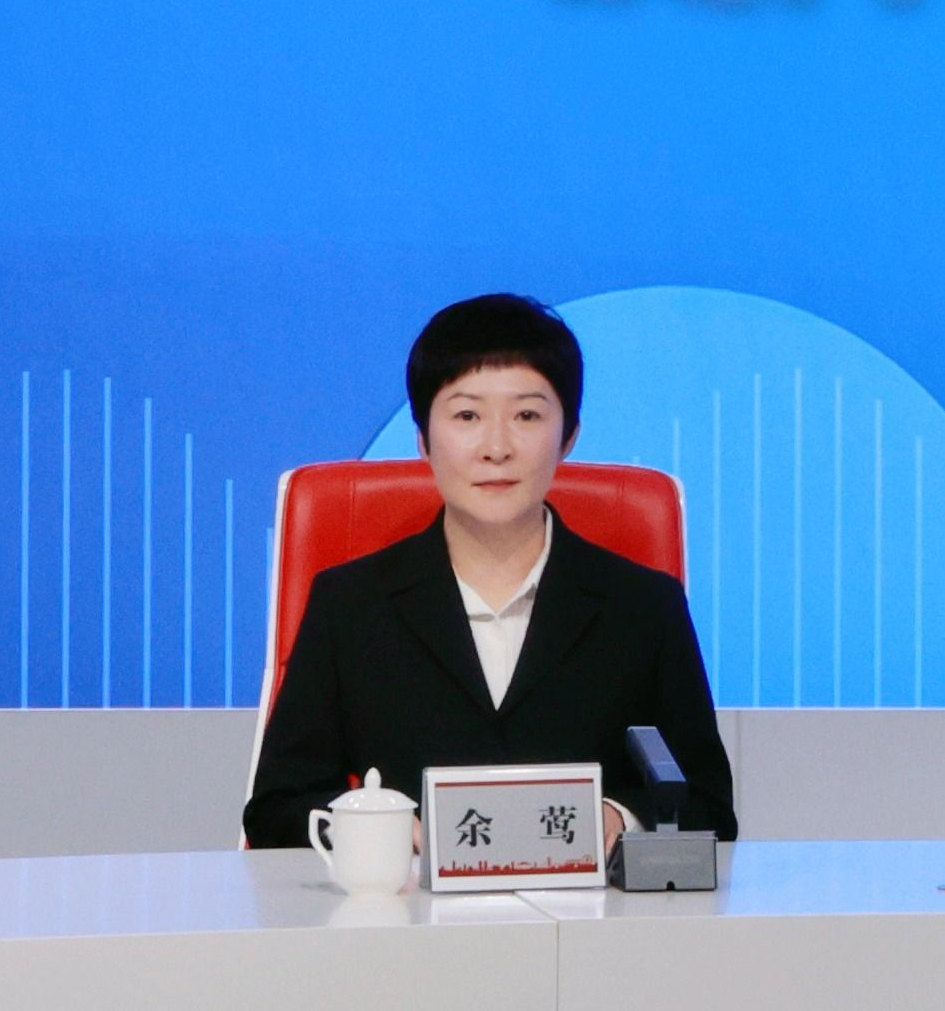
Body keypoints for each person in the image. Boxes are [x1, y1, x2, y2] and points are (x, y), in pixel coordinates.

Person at [244, 293, 735, 849]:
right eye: (467, 416)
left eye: (527, 415)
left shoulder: (644, 606)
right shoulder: (351, 604)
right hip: (406, 902)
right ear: (424, 439)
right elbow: (276, 811)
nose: (496, 447)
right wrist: (376, 829)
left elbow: (709, 805)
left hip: (589, 903)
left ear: (568, 436)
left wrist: (621, 818)